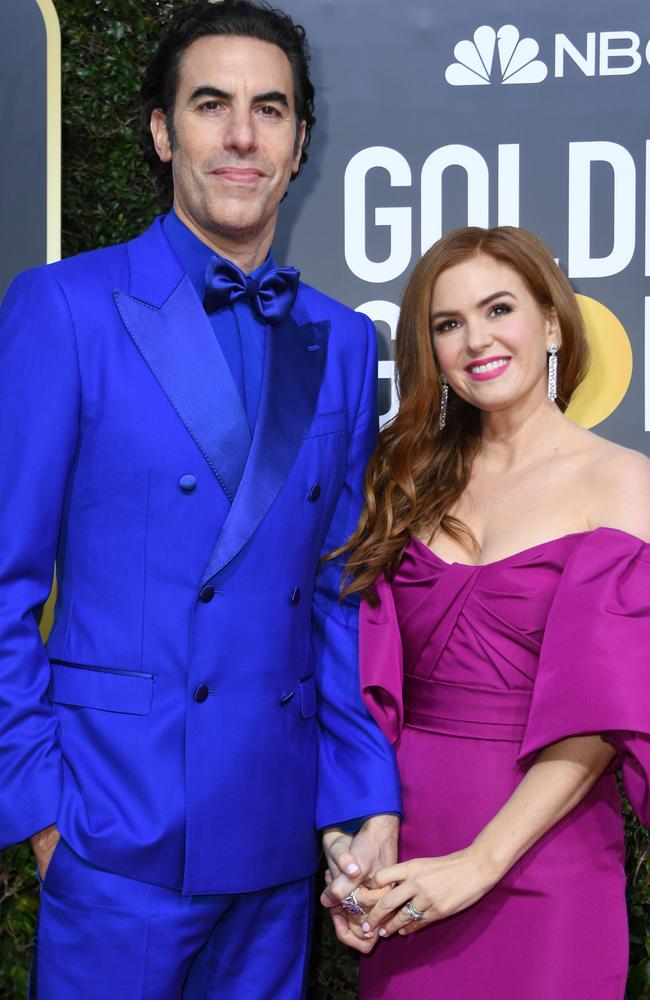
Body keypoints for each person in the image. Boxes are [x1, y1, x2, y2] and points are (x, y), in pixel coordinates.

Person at [0, 2, 401, 996]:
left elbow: (334, 593)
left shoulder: (341, 340)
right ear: (160, 129)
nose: (239, 135)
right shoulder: (66, 307)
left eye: (269, 110)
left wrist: (359, 795)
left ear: (299, 142)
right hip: (114, 829)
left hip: (272, 832)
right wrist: (44, 814)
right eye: (210, 103)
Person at [324, 226, 650, 998]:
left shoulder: (625, 485)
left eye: (498, 309)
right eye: (448, 324)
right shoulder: (401, 481)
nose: (476, 340)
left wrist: (479, 864)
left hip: (546, 861)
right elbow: (351, 674)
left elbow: (603, 715)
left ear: (551, 321)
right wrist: (352, 832)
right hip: (401, 859)